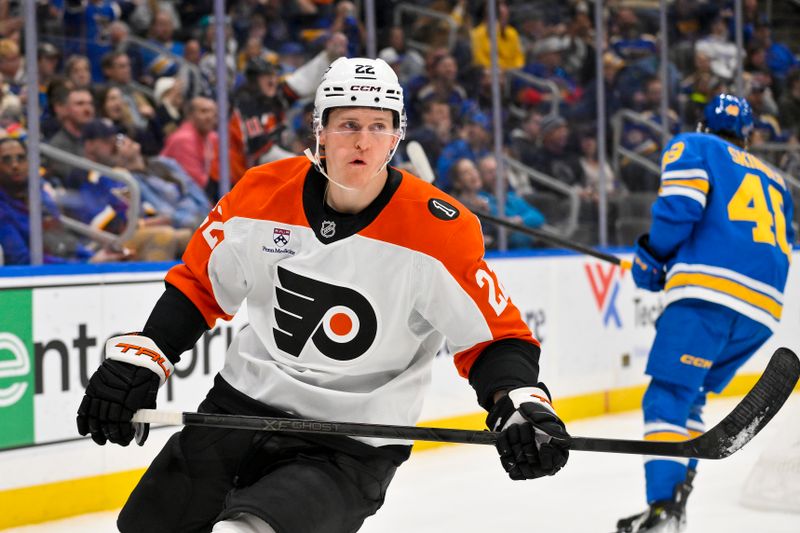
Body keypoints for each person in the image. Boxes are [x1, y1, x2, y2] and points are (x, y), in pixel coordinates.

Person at [77, 57, 571, 533]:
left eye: (379, 126)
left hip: (351, 441)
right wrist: (147, 354)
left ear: (397, 136)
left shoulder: (439, 230)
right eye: (347, 124)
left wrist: (519, 399)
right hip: (240, 406)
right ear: (320, 130)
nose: (362, 141)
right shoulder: (261, 193)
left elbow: (494, 338)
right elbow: (200, 286)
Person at [617, 94, 794, 532]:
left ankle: (663, 508)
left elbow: (681, 207)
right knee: (691, 396)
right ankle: (675, 505)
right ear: (748, 135)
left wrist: (653, 257)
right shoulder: (777, 178)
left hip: (710, 297)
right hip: (762, 309)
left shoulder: (694, 146)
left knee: (666, 397)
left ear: (701, 124)